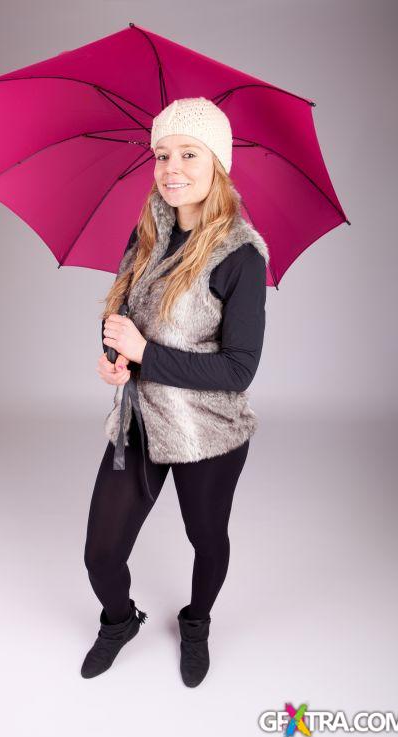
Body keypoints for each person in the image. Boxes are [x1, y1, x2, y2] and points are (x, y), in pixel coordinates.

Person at [81, 97, 270, 687]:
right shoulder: (145, 237)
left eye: (188, 153)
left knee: (206, 539)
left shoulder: (239, 255)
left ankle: (196, 622)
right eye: (162, 154)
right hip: (140, 420)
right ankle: (120, 620)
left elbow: (239, 371)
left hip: (207, 430)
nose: (171, 168)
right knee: (101, 552)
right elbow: (120, 319)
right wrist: (115, 359)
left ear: (218, 162)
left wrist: (144, 355)